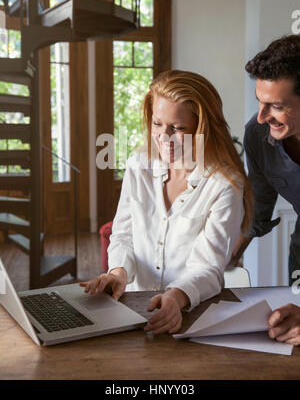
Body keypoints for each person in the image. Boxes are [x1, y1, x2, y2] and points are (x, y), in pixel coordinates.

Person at [81, 70, 253, 335]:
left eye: (178, 128)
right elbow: (123, 236)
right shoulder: (138, 166)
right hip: (132, 311)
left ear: (202, 128)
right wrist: (118, 272)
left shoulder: (224, 185)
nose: (164, 137)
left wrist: (176, 296)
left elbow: (208, 267)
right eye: (157, 123)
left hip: (192, 314)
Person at [230, 34, 300, 345]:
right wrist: (230, 256)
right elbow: (259, 203)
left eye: (276, 105)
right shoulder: (258, 135)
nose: (261, 116)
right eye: (260, 101)